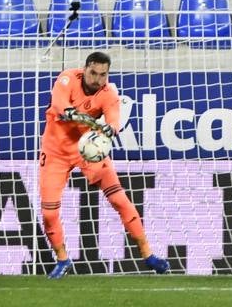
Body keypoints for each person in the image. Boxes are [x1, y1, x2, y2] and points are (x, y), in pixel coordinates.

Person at [39, 51, 170, 279]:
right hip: (55, 153)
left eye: (103, 75)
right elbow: (59, 103)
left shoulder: (109, 94)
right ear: (85, 69)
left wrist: (111, 129)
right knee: (49, 214)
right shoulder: (68, 79)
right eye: (93, 73)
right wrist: (72, 113)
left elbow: (113, 119)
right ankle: (62, 259)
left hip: (88, 150)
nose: (97, 79)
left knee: (119, 199)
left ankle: (148, 255)